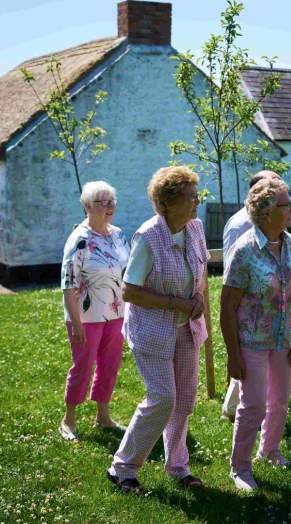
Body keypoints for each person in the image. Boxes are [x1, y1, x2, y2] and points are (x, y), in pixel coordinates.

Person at [107, 166, 209, 493]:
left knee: (185, 400)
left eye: (196, 195)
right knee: (163, 397)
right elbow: (129, 291)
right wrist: (175, 304)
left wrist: (198, 301)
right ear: (167, 203)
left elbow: (201, 273)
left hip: (186, 330)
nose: (197, 202)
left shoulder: (195, 229)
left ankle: (178, 467)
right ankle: (122, 468)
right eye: (191, 197)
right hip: (152, 331)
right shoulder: (149, 237)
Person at [220, 177, 291, 491]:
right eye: (285, 204)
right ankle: (240, 468)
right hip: (251, 341)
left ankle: (269, 450)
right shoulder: (244, 250)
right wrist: (233, 354)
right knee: (253, 404)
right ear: (266, 212)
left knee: (280, 401)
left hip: (285, 339)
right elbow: (227, 305)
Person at [59, 181, 130, 441]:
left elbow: (127, 272)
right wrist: (75, 321)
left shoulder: (118, 234)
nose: (109, 207)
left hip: (116, 311)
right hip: (86, 315)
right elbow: (68, 283)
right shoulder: (79, 239)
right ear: (87, 206)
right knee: (83, 365)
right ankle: (68, 419)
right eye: (102, 202)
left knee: (110, 365)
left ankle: (103, 415)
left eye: (111, 201)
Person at [221, 170, 281, 422]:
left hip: (266, 304)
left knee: (260, 363)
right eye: (273, 187)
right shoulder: (242, 225)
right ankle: (235, 409)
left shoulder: (267, 223)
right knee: (249, 361)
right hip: (249, 305)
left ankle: (242, 408)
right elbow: (234, 271)